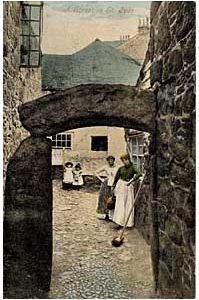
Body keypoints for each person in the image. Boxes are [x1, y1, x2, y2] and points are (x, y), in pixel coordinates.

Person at [112, 153, 141, 229]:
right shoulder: (121, 168)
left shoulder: (133, 167)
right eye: (123, 161)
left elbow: (139, 174)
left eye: (125, 160)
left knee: (128, 204)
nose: (124, 162)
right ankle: (119, 222)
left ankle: (127, 223)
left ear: (128, 159)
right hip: (121, 186)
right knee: (120, 204)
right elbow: (116, 178)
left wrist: (131, 181)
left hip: (128, 186)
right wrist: (113, 186)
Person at [95, 155, 119, 221]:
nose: (110, 161)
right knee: (105, 199)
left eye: (111, 160)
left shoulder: (117, 167)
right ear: (107, 161)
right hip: (106, 185)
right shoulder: (105, 167)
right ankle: (106, 214)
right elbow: (96, 172)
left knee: (113, 199)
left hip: (114, 184)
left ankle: (113, 215)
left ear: (114, 160)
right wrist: (102, 179)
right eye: (109, 160)